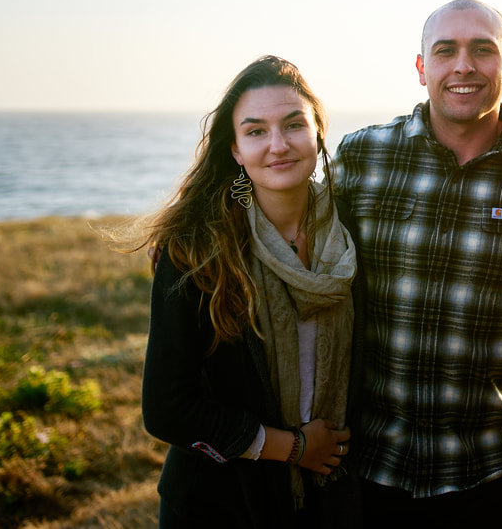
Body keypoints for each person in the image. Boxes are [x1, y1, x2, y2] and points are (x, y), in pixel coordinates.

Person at [334, 0, 502, 528]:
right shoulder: (362, 155)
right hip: (370, 465)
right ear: (422, 67)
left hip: (488, 470)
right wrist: (211, 215)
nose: (463, 66)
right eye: (445, 51)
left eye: (483, 50)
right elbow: (269, 198)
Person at [137, 56, 362, 528]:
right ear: (236, 150)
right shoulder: (198, 250)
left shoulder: (350, 233)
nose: (278, 145)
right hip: (222, 505)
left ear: (319, 133)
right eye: (256, 131)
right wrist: (293, 447)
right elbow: (166, 409)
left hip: (329, 498)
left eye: (294, 125)